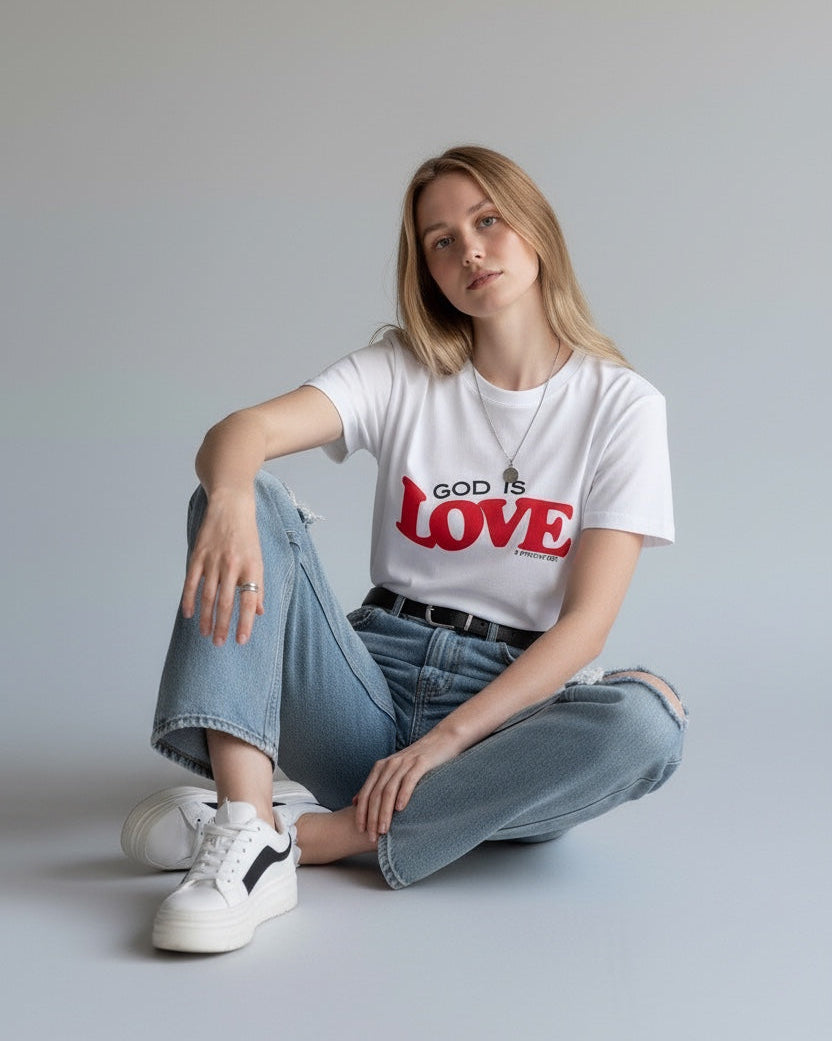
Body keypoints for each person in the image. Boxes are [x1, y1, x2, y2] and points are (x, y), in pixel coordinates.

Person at [121, 145, 687, 954]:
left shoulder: (621, 404)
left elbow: (585, 628)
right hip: (367, 685)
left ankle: (310, 837)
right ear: (426, 268)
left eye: (487, 221)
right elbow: (239, 433)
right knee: (248, 498)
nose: (471, 252)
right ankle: (247, 824)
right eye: (441, 241)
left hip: (496, 728)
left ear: (537, 230)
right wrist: (234, 493)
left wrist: (443, 743)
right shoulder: (403, 370)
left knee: (648, 722)